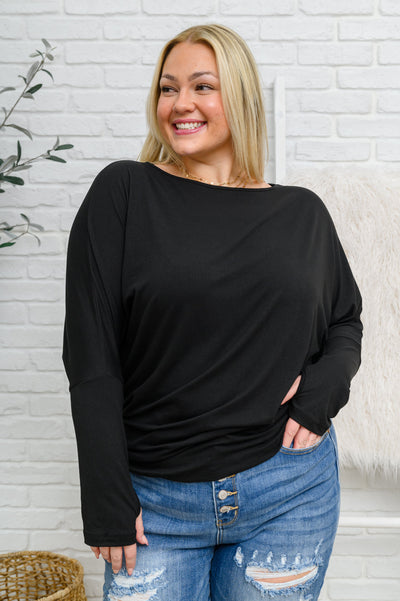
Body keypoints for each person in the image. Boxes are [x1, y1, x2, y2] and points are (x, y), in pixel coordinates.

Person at [62, 23, 363, 601]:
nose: (180, 103)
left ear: (241, 97)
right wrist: (104, 494)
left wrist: (326, 386)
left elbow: (345, 320)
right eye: (167, 88)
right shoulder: (124, 192)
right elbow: (91, 356)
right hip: (156, 503)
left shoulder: (301, 212)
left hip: (289, 488)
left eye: (202, 86)